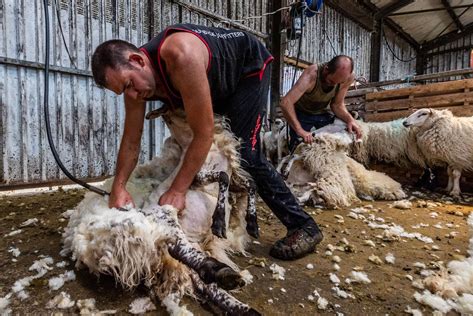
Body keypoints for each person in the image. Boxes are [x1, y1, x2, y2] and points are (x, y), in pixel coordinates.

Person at [90, 23, 323, 260]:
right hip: (213, 79)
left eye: (129, 84)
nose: (132, 95)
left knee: (244, 153)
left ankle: (303, 225)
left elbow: (204, 133)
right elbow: (131, 139)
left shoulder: (181, 56)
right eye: (123, 91)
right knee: (198, 153)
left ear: (137, 60)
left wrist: (177, 191)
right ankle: (224, 214)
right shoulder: (136, 86)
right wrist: (118, 187)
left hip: (246, 69)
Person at [281, 55, 362, 151]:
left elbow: (337, 105)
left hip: (321, 113)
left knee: (333, 143)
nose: (334, 85)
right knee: (299, 148)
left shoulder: (348, 77)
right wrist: (300, 130)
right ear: (326, 69)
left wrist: (350, 120)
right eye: (331, 81)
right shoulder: (312, 75)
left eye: (338, 83)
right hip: (301, 113)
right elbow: (286, 102)